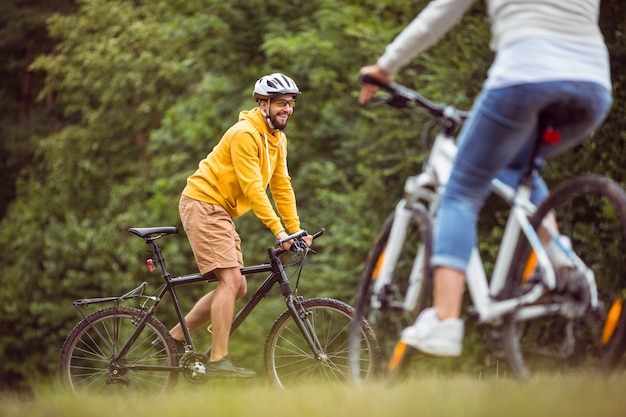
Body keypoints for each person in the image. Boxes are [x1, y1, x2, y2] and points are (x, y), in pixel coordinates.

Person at [359, 0, 612, 357]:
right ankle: (564, 267)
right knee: (517, 166)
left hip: (524, 78)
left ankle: (445, 319)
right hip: (593, 88)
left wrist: (385, 68)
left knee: (460, 190)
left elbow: (439, 14)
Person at [168, 73, 313, 377]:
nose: (286, 109)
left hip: (219, 210)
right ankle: (219, 359)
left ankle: (174, 338)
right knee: (230, 282)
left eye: (290, 103)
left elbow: (282, 186)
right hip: (204, 203)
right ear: (263, 104)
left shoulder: (277, 140)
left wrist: (295, 229)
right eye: (279, 103)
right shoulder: (245, 134)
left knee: (238, 286)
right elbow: (253, 189)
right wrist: (278, 230)